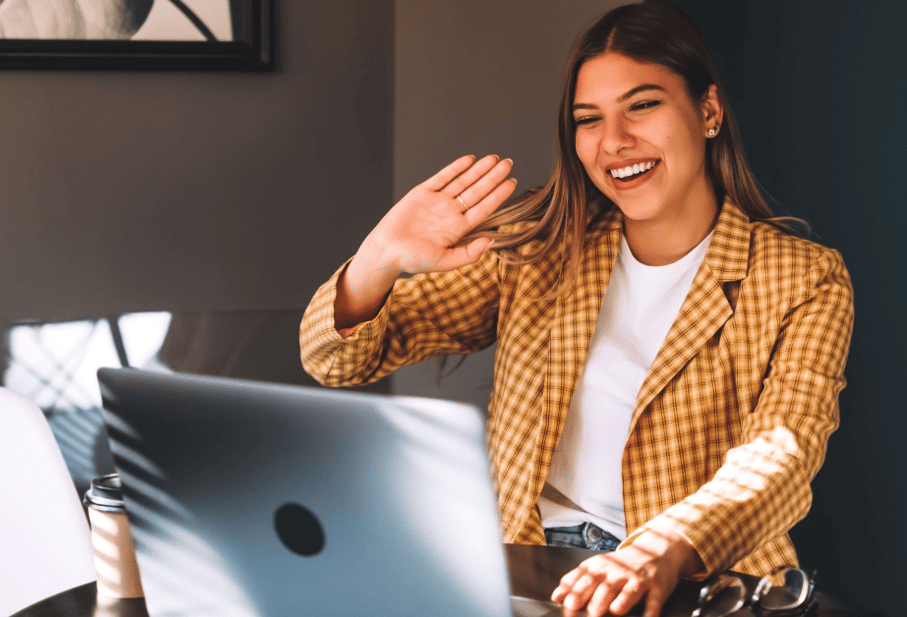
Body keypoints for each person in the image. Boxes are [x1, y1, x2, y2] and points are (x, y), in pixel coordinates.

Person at [298, 2, 854, 616]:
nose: (614, 142)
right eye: (589, 119)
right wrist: (379, 259)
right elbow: (336, 362)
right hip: (532, 572)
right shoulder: (539, 250)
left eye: (642, 105)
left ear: (709, 111)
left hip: (696, 582)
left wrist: (664, 546)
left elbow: (782, 453)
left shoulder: (803, 276)